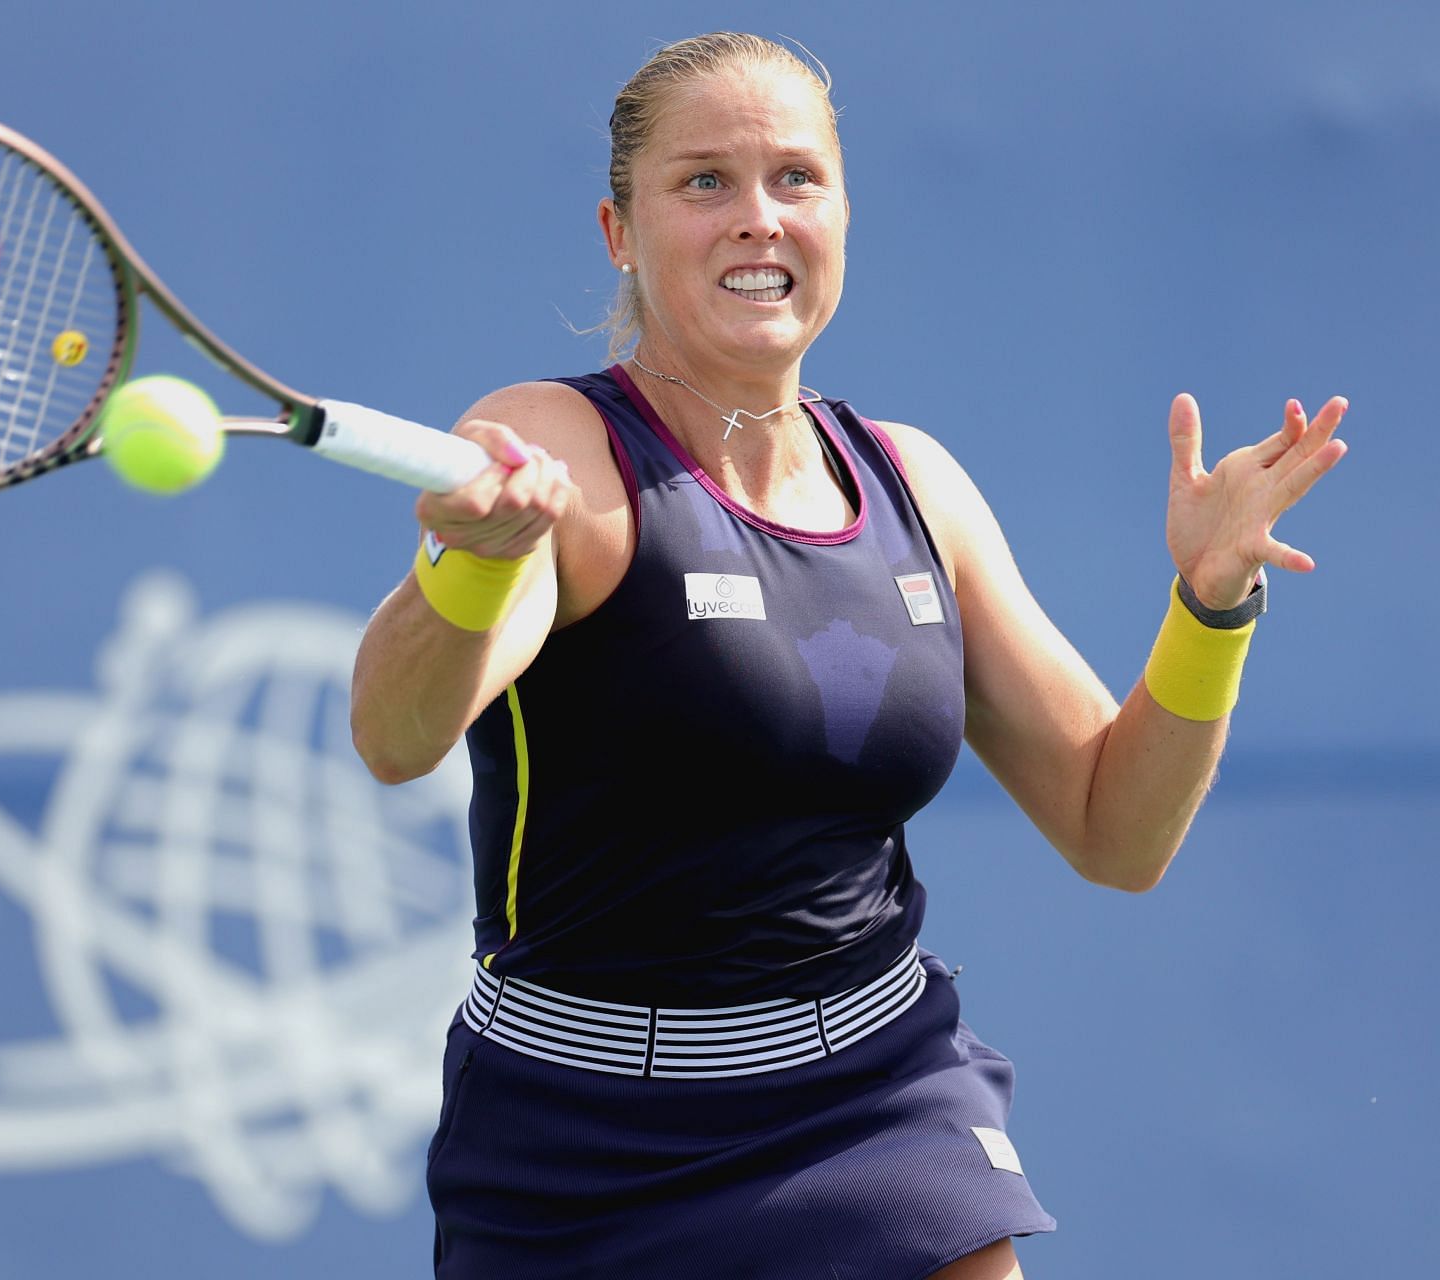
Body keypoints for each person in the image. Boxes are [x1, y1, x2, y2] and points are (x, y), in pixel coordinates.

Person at [350, 31, 1348, 1280]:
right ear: (620, 230)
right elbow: (395, 739)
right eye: (703, 182)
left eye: (795, 179)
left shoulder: (914, 479)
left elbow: (1117, 828)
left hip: (879, 1091)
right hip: (583, 1133)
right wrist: (468, 564)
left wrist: (1211, 603)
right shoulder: (555, 445)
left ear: (842, 215)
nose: (756, 219)